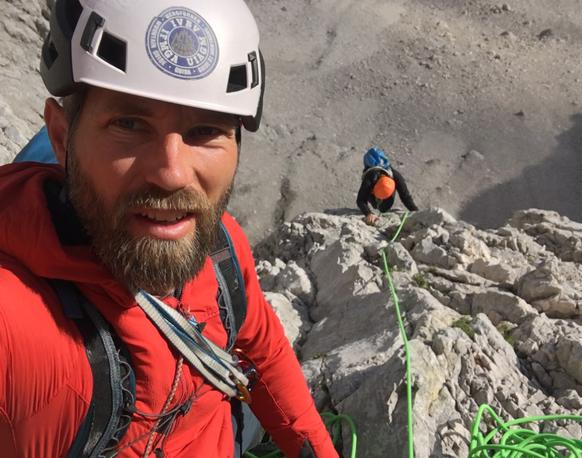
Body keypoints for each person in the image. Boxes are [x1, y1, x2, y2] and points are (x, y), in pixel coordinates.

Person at [0, 1, 337, 457]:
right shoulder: (21, 325)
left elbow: (265, 350)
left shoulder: (220, 248)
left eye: (204, 130)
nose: (172, 173)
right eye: (129, 123)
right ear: (61, 138)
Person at [356, 147, 419, 225]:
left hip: (386, 199)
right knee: (378, 206)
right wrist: (368, 213)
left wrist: (416, 212)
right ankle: (378, 204)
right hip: (373, 194)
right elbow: (361, 200)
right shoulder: (370, 178)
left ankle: (381, 205)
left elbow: (405, 197)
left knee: (384, 209)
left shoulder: (395, 176)